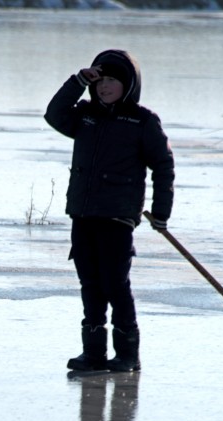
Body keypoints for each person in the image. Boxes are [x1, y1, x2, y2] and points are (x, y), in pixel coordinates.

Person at [44, 49, 175, 373]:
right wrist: (77, 81)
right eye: (100, 80)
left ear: (128, 84)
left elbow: (163, 166)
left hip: (117, 216)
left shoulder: (142, 121)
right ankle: (94, 354)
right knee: (90, 283)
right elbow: (54, 114)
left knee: (115, 284)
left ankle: (128, 354)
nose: (105, 87)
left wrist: (161, 211)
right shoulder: (86, 116)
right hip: (84, 213)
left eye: (113, 81)